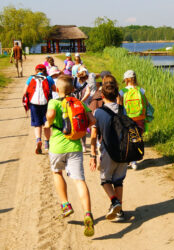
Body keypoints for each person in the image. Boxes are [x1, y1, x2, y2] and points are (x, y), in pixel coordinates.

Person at [45, 74, 96, 237]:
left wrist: (49, 122)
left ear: (56, 89)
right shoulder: (78, 102)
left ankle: (65, 204)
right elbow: (92, 120)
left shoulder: (53, 102)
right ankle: (87, 214)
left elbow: (50, 116)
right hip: (75, 146)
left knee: (57, 172)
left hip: (57, 146)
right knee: (80, 180)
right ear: (73, 90)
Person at [90, 75, 127, 221]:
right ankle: (119, 212)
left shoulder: (98, 113)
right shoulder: (123, 110)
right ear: (117, 94)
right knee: (118, 181)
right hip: (124, 152)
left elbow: (93, 135)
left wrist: (92, 154)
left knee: (105, 180)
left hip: (108, 152)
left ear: (102, 96)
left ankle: (114, 201)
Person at [23, 64, 56, 154]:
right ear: (45, 70)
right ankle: (47, 143)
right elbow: (54, 89)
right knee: (46, 122)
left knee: (37, 124)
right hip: (46, 103)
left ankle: (38, 140)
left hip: (34, 104)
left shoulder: (31, 78)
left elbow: (25, 92)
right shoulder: (48, 78)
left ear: (36, 70)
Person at [119, 70, 148, 170]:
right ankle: (134, 161)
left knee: (128, 139)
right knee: (137, 138)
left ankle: (129, 160)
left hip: (127, 119)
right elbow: (146, 103)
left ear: (126, 80)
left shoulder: (122, 91)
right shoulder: (141, 90)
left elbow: (119, 105)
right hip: (139, 117)